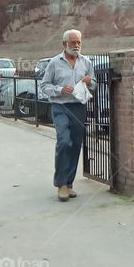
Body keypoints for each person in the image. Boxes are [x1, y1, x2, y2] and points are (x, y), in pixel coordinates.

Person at [41, 28, 95, 202]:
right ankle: (61, 184)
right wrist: (59, 89)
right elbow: (44, 86)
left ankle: (69, 184)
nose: (77, 45)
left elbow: (94, 84)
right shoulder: (54, 63)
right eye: (73, 42)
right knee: (64, 141)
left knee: (75, 145)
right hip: (60, 106)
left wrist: (90, 82)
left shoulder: (86, 62)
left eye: (79, 42)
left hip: (79, 107)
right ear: (65, 44)